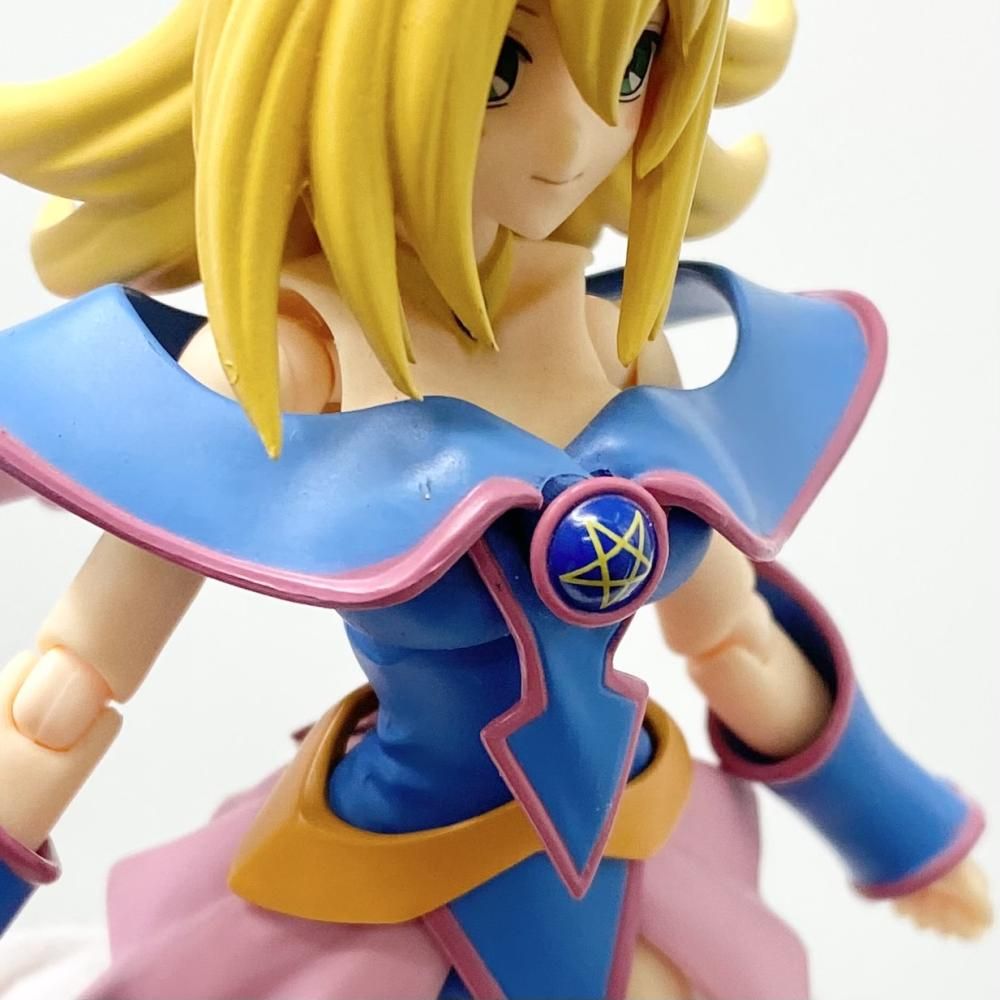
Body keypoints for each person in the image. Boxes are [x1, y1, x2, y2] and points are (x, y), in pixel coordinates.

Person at [0, 1, 991, 997]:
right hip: (396, 880)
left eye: (633, 66)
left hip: (620, 848)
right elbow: (67, 687)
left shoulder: (617, 348)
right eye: (501, 71)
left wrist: (902, 832)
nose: (575, 139)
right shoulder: (294, 363)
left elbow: (737, 637)